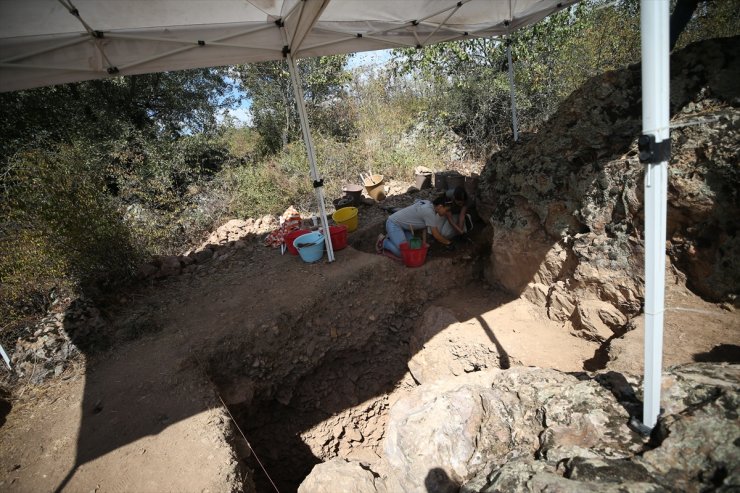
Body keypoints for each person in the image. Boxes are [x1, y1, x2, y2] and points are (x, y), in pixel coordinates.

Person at [377, 195, 454, 258]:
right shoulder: (429, 212)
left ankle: (393, 236)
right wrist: (448, 243)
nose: (446, 213)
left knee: (415, 248)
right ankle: (384, 242)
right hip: (394, 224)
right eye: (446, 210)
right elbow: (436, 235)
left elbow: (424, 227)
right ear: (440, 206)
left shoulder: (429, 205)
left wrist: (424, 244)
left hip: (404, 227)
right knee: (403, 253)